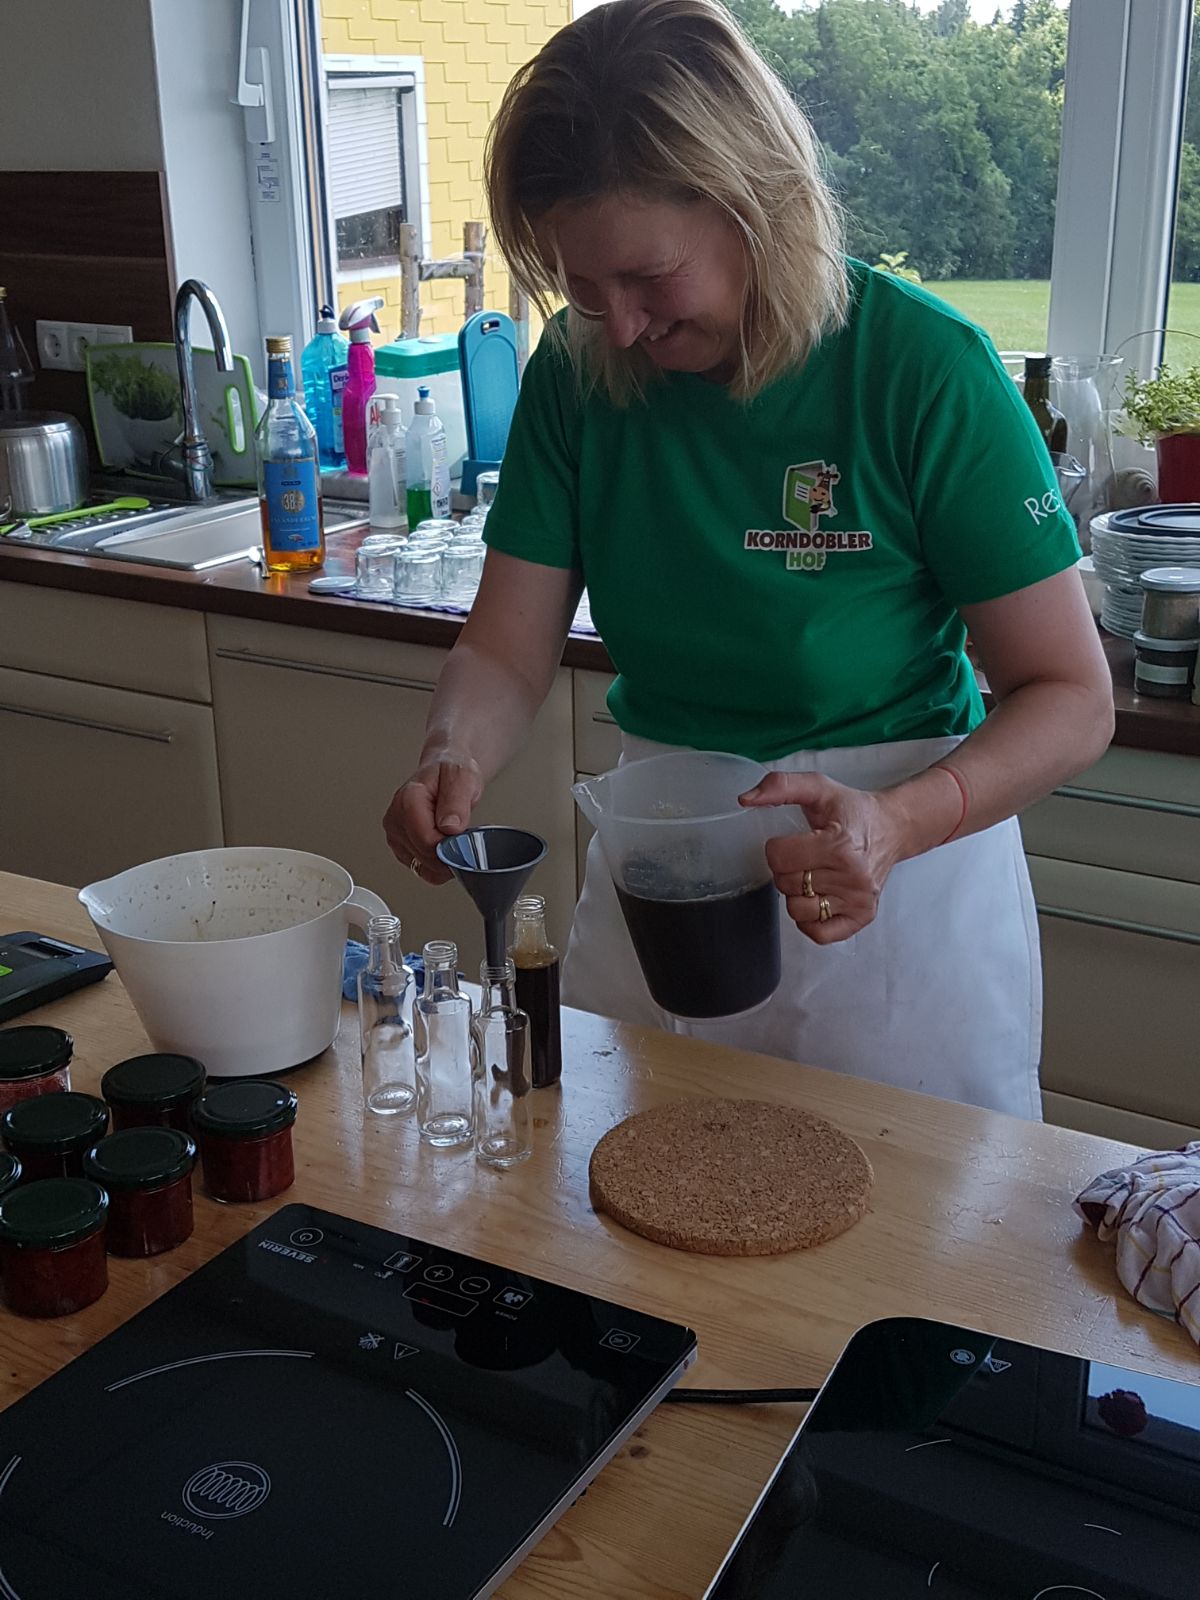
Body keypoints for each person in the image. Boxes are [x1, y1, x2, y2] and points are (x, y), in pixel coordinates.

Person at [383, 0, 1114, 1118]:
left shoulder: (923, 373)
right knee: (625, 1194)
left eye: (650, 279)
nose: (621, 326)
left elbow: (1071, 695)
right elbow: (505, 648)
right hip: (664, 857)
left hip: (899, 879)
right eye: (586, 290)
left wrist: (900, 822)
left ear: (757, 203)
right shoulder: (576, 376)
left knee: (903, 1217)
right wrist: (453, 753)